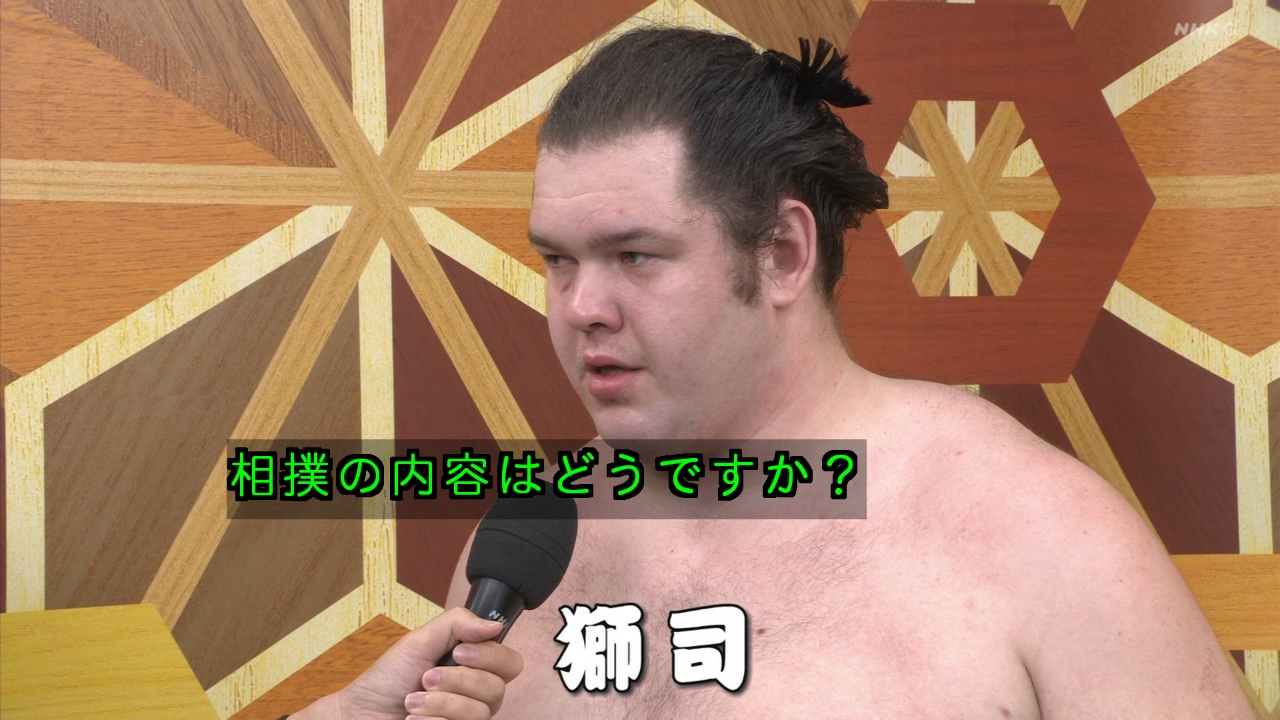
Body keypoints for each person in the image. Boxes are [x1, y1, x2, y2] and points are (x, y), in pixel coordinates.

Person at [291, 28, 1252, 719]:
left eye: (635, 255)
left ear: (784, 253)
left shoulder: (1039, 536)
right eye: (559, 260)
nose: (581, 306)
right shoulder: (527, 551)